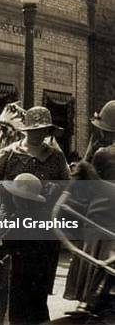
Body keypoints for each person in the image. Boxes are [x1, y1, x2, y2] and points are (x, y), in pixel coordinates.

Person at [0, 106, 71, 325]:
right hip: (12, 222)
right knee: (8, 282)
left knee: (37, 285)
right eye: (36, 130)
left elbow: (70, 185)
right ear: (27, 130)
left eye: (44, 130)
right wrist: (12, 188)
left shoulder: (56, 156)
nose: (40, 134)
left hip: (42, 225)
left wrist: (55, 188)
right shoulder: (10, 152)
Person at [64, 100, 115, 317]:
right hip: (104, 220)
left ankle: (90, 301)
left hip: (101, 219)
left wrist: (85, 173)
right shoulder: (102, 152)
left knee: (99, 272)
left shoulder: (104, 153)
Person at [0, 173, 52, 324]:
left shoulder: (18, 219)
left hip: (20, 273)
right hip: (40, 273)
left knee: (18, 311)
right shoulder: (45, 217)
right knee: (38, 308)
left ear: (19, 199)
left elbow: (3, 245)